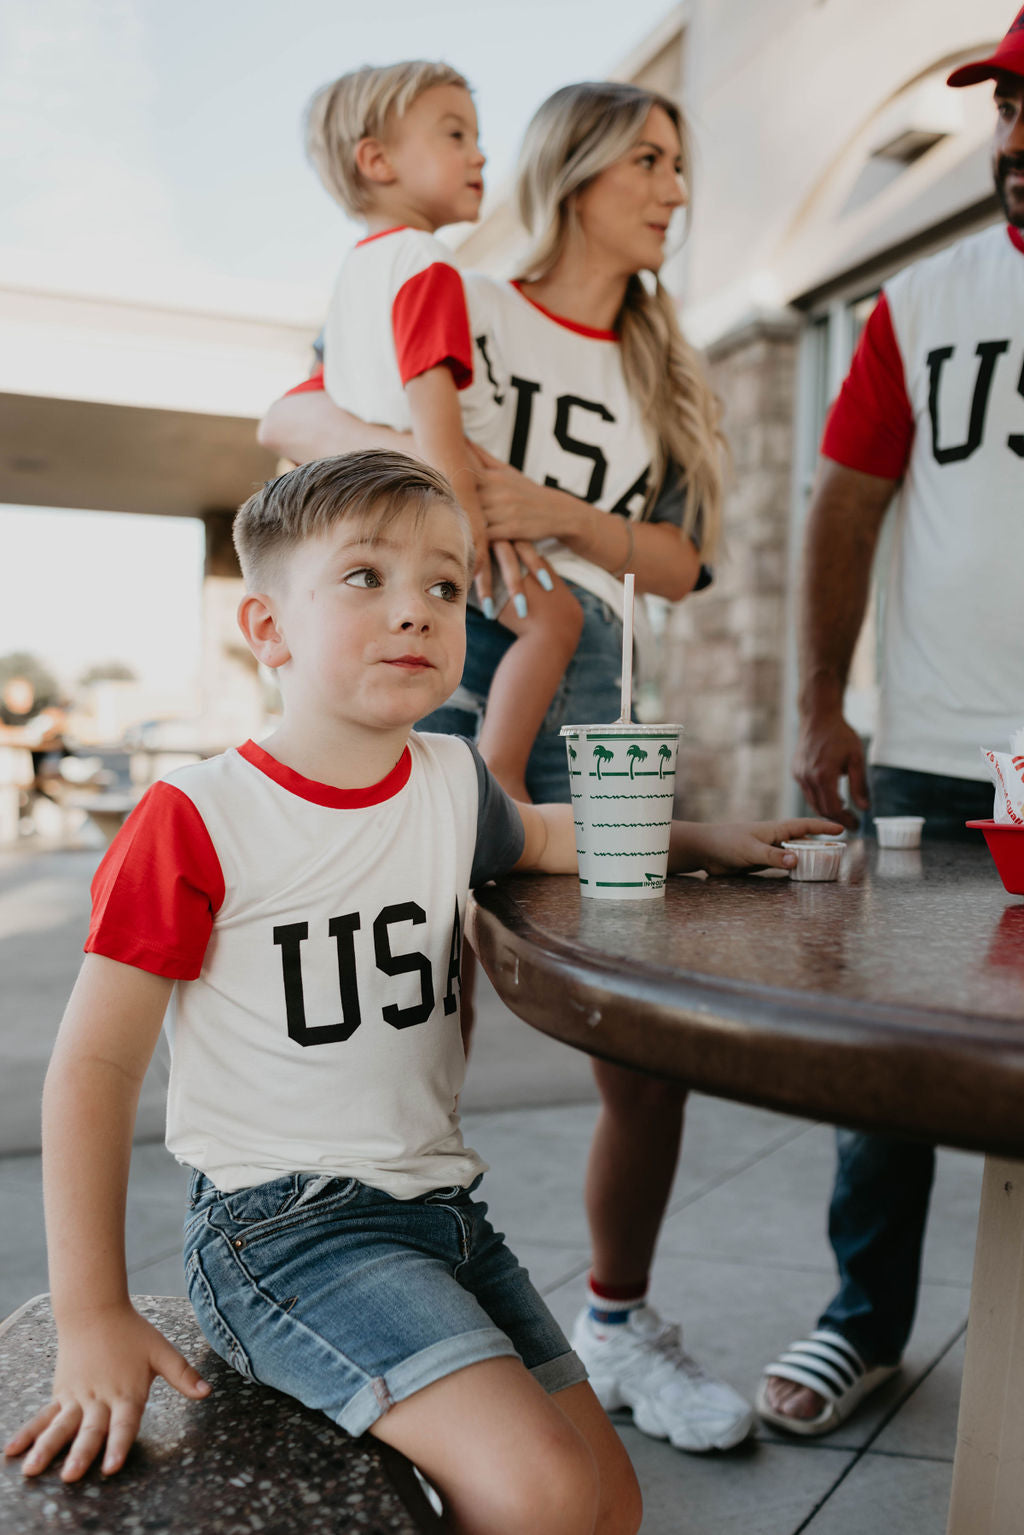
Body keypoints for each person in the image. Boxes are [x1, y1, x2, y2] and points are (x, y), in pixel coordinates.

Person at [3, 450, 834, 1529]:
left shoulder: (448, 776)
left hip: (441, 1214)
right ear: (267, 628)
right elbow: (95, 1068)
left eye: (444, 586)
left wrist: (705, 839)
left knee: (608, 1501)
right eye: (365, 578)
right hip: (281, 1231)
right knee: (538, 1488)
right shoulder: (199, 814)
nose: (416, 611)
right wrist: (92, 1308)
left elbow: (542, 836)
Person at [259, 78, 757, 1454]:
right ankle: (371, 1314)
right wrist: (458, 490)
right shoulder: (452, 288)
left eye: (680, 162)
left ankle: (619, 1322)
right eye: (649, 160)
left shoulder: (666, 364)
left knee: (641, 1030)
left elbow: (686, 564)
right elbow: (289, 422)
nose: (673, 187)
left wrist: (557, 511)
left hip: (594, 687)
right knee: (408, 1003)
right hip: (438, 663)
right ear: (578, 170)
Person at [758, 10, 1024, 1437]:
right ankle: (862, 1321)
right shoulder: (920, 297)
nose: (1019, 139)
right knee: (897, 1056)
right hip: (933, 737)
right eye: (1011, 110)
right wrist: (820, 699)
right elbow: (845, 502)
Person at [308, 60, 583, 802]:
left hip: (364, 517)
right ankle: (501, 776)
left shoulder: (349, 278)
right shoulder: (429, 264)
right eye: (455, 134)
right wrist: (472, 539)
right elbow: (436, 417)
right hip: (430, 511)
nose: (481, 154)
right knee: (555, 618)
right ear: (377, 159)